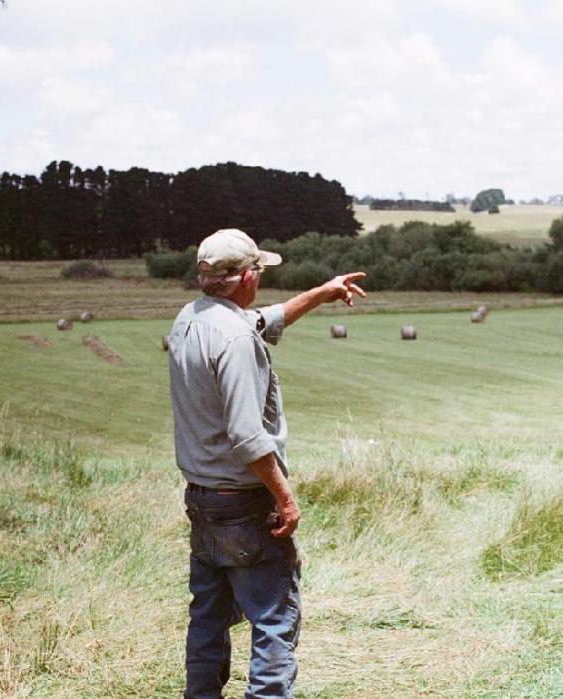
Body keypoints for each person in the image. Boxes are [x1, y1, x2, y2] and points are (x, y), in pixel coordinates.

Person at [168, 228, 365, 699]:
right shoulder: (235, 338)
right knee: (274, 621)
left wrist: (322, 293)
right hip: (243, 502)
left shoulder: (191, 318)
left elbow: (263, 320)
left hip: (202, 497)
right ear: (244, 278)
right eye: (258, 268)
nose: (261, 276)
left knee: (208, 618)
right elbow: (247, 435)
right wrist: (285, 496)